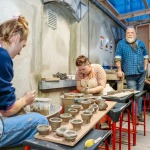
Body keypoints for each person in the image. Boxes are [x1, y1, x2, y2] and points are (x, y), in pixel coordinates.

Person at [0, 16, 49, 147]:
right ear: (15, 38)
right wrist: (24, 100)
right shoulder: (2, 56)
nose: (20, 52)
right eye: (23, 45)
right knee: (40, 121)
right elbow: (8, 110)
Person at [115, 26, 149, 122]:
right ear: (125, 34)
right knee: (133, 95)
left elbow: (146, 56)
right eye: (128, 33)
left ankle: (138, 113)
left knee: (140, 94)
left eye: (132, 33)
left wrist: (145, 68)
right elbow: (117, 58)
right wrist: (119, 70)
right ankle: (134, 115)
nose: (130, 34)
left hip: (141, 73)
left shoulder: (141, 43)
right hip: (129, 73)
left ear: (135, 34)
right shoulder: (121, 44)